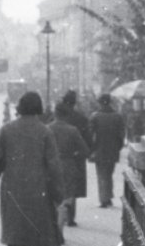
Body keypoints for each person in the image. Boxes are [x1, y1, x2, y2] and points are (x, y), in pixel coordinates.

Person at [0, 91, 64, 246]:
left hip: (13, 191)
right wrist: (58, 194)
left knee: (16, 233)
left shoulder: (7, 129)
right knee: (38, 235)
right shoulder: (45, 132)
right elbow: (54, 166)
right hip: (39, 191)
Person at [48, 103, 90, 241]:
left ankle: (54, 231)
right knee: (65, 201)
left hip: (50, 167)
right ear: (66, 115)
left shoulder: (46, 129)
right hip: (68, 167)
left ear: (55, 113)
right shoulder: (73, 130)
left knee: (52, 200)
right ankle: (59, 232)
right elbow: (84, 150)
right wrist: (73, 155)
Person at [59, 90, 92, 226]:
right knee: (72, 188)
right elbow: (88, 141)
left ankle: (60, 216)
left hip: (57, 158)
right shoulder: (82, 118)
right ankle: (70, 217)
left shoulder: (57, 120)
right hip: (76, 158)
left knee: (58, 186)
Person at [89, 93, 125, 208]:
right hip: (113, 150)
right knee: (109, 174)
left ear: (100, 103)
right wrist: (117, 147)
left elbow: (90, 135)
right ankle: (108, 197)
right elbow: (121, 136)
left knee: (102, 175)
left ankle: (104, 199)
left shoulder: (95, 116)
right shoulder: (118, 116)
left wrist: (92, 149)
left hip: (99, 149)